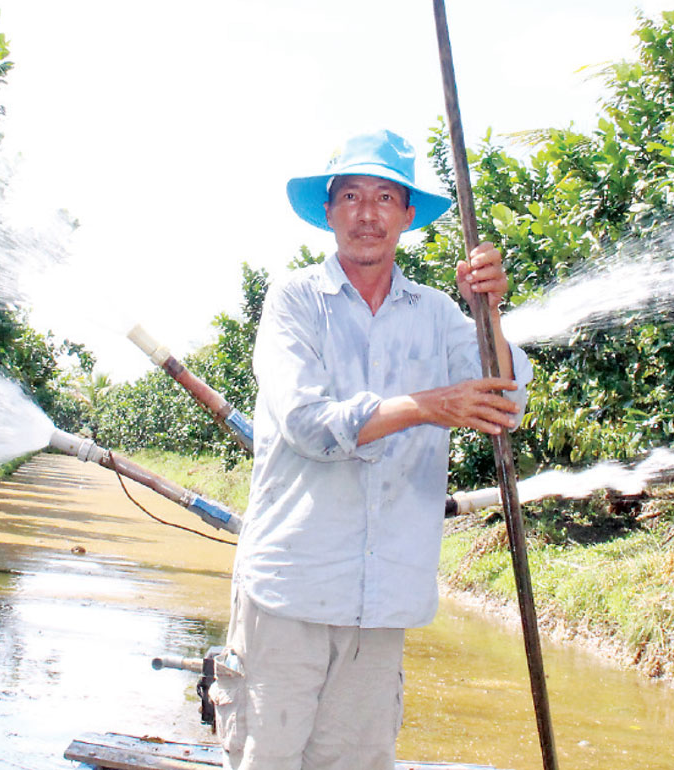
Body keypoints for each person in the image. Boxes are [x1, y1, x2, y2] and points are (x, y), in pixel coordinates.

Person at [211, 129, 532, 770]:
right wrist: (428, 405)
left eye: (385, 197)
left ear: (407, 215)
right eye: (351, 196)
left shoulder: (440, 313)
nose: (367, 213)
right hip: (289, 590)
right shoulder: (294, 300)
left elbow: (506, 404)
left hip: (381, 603)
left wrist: (488, 309)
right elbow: (307, 423)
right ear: (328, 211)